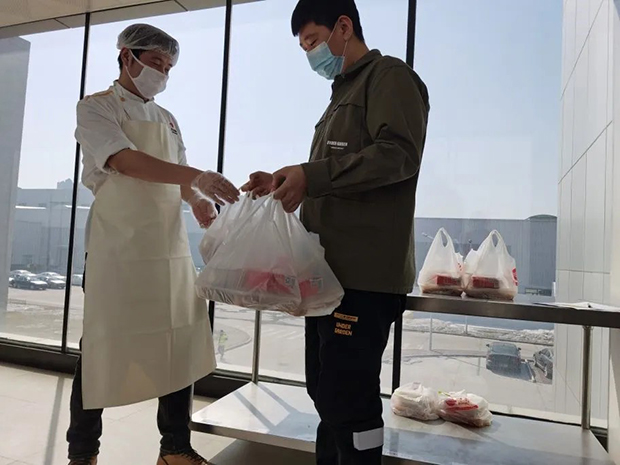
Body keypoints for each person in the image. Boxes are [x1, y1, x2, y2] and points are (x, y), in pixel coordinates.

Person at [242, 1, 430, 463]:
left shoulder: (389, 78)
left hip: (364, 277)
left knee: (349, 398)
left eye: (312, 41)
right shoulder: (340, 97)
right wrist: (285, 182)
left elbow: (398, 156)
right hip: (329, 275)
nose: (310, 54)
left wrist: (312, 176)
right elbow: (335, 175)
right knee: (326, 392)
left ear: (343, 27)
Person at [67, 24, 239, 465]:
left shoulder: (167, 119)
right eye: (155, 62)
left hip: (166, 248)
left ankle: (175, 448)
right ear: (127, 56)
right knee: (102, 344)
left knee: (178, 342)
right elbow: (125, 161)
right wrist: (197, 178)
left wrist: (198, 202)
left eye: (168, 67)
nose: (162, 73)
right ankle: (82, 453)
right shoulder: (96, 107)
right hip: (117, 247)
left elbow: (178, 175)